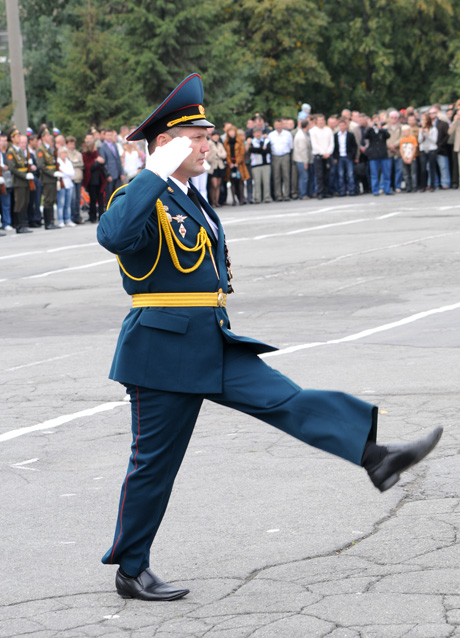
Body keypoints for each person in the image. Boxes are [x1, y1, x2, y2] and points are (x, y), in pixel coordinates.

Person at [96, 73, 443, 603]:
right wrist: (153, 174)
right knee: (154, 466)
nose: (209, 144)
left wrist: (169, 178)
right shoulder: (146, 195)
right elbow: (113, 235)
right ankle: (131, 568)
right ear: (166, 145)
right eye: (198, 137)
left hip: (211, 341)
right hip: (160, 351)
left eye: (208, 135)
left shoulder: (190, 199)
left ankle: (375, 455)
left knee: (287, 400)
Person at [6, 126, 33, 234]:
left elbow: (24, 164)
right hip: (18, 180)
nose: (19, 138)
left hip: (25, 180)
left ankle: (23, 224)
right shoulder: (11, 151)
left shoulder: (21, 151)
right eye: (17, 136)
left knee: (25, 201)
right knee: (19, 203)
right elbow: (12, 168)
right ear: (12, 138)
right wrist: (24, 175)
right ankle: (18, 225)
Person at [36, 125, 60, 230]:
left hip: (52, 177)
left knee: (52, 199)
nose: (49, 136)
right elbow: (41, 165)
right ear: (42, 137)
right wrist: (52, 173)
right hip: (47, 177)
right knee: (48, 200)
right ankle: (48, 223)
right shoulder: (41, 149)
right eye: (47, 135)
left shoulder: (49, 148)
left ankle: (51, 221)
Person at [82, 133, 108, 222]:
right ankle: (92, 217)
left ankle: (101, 216)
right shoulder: (85, 155)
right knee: (93, 199)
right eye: (94, 147)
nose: (96, 149)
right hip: (92, 180)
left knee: (101, 199)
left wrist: (99, 161)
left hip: (100, 179)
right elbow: (89, 167)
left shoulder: (96, 154)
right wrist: (97, 162)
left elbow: (102, 162)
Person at [364, 115, 392, 196]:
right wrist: (371, 127)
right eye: (375, 121)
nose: (376, 122)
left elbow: (388, 136)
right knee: (374, 174)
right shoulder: (370, 131)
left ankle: (387, 189)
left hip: (383, 155)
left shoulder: (383, 130)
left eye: (377, 121)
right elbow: (365, 136)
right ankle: (375, 190)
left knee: (386, 173)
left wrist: (381, 128)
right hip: (373, 156)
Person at [309, 114, 334, 200]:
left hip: (327, 155)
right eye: (319, 120)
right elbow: (314, 144)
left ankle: (326, 192)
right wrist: (323, 153)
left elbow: (331, 143)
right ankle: (320, 192)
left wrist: (328, 152)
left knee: (327, 174)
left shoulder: (328, 130)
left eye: (322, 120)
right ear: (316, 121)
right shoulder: (313, 131)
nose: (321, 122)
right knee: (319, 175)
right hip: (318, 155)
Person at [268, 119, 293, 201]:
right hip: (275, 156)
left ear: (282, 125)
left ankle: (286, 194)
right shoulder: (271, 135)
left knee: (286, 175)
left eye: (280, 125)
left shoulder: (287, 134)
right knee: (276, 176)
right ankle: (278, 195)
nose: (278, 127)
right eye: (277, 125)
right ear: (274, 126)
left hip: (285, 155)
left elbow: (291, 146)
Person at [224, 125, 249, 205]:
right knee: (232, 182)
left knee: (240, 181)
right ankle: (234, 200)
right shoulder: (226, 142)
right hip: (230, 164)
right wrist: (230, 163)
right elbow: (226, 154)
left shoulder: (240, 141)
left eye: (233, 131)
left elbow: (242, 153)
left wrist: (237, 163)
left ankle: (241, 199)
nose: (231, 133)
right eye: (230, 132)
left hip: (239, 164)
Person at [333, 117, 358, 196]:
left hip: (348, 157)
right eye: (340, 125)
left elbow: (354, 146)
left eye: (343, 125)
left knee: (350, 174)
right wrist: (336, 157)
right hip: (340, 157)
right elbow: (335, 147)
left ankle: (351, 190)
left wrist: (351, 155)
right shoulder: (336, 135)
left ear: (346, 126)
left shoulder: (350, 135)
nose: (342, 127)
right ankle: (342, 191)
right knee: (341, 175)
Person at [98, 129, 123, 205]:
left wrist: (121, 172)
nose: (109, 137)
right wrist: (107, 175)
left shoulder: (114, 145)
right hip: (109, 175)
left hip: (117, 174)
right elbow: (103, 163)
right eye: (108, 135)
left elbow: (118, 159)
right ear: (105, 136)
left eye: (111, 135)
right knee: (109, 195)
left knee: (117, 194)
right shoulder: (102, 147)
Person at [248, 127, 272, 204]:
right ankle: (257, 198)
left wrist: (259, 149)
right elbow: (252, 150)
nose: (258, 134)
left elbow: (268, 150)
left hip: (265, 164)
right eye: (256, 133)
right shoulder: (252, 141)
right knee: (257, 182)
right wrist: (262, 149)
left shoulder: (266, 140)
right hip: (256, 164)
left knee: (266, 181)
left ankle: (267, 197)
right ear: (254, 134)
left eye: (259, 132)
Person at [418, 112, 438, 193]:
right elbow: (419, 141)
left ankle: (432, 185)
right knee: (423, 169)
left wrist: (428, 134)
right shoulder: (421, 129)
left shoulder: (434, 129)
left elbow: (434, 141)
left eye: (424, 119)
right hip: (423, 150)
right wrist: (422, 134)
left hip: (432, 150)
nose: (423, 121)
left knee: (431, 168)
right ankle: (423, 186)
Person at [206, 130, 227, 207]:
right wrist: (216, 155)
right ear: (211, 136)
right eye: (215, 135)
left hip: (220, 166)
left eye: (217, 135)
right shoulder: (209, 143)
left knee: (218, 185)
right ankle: (212, 201)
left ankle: (217, 201)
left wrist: (218, 155)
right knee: (214, 185)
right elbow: (208, 156)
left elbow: (224, 154)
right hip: (213, 166)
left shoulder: (220, 144)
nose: (216, 137)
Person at [66, 136, 84, 224]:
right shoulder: (65, 153)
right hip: (71, 179)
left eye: (73, 144)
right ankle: (72, 216)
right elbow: (68, 164)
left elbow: (81, 164)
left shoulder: (78, 154)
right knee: (72, 199)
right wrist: (75, 163)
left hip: (78, 178)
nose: (72, 146)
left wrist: (74, 163)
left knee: (77, 199)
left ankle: (77, 216)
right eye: (70, 144)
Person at [56, 147, 75, 227]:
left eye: (65, 153)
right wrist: (65, 173)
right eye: (62, 153)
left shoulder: (68, 162)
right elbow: (59, 173)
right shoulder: (58, 162)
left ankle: (68, 219)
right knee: (61, 203)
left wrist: (63, 172)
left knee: (68, 203)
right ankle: (60, 220)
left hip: (69, 184)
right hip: (62, 184)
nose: (64, 154)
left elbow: (72, 173)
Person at [293, 119, 311, 200]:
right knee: (304, 177)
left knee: (303, 177)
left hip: (301, 159)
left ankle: (304, 193)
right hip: (301, 160)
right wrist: (305, 162)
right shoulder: (301, 136)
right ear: (307, 126)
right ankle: (303, 194)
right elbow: (303, 150)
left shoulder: (304, 133)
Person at [0, 133, 14, 230]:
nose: (4, 143)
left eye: (5, 141)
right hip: (2, 179)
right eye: (2, 141)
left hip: (7, 181)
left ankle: (7, 222)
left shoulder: (8, 152)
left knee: (6, 203)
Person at [399, 124, 418, 193]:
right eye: (403, 132)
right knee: (406, 174)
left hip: (412, 158)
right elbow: (401, 149)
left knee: (413, 174)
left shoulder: (412, 138)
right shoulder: (402, 139)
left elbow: (414, 148)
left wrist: (411, 158)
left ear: (408, 131)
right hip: (405, 158)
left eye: (405, 131)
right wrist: (404, 157)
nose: (404, 133)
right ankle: (408, 187)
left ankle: (414, 187)